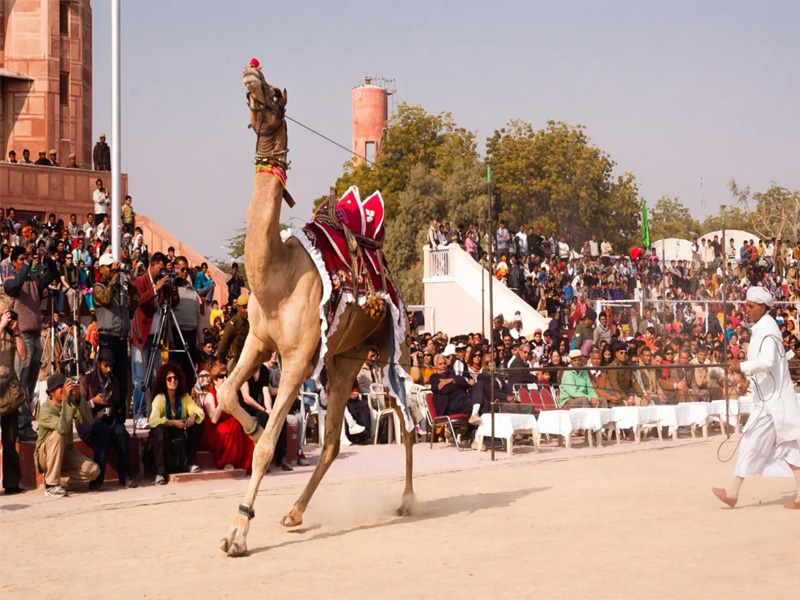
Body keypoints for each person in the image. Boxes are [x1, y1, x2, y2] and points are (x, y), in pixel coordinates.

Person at [713, 287, 800, 510]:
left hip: (772, 403)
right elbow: (765, 371)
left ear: (762, 307)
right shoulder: (763, 327)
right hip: (771, 399)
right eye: (746, 305)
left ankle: (733, 493)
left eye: (750, 306)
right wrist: (747, 381)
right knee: (790, 450)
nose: (747, 310)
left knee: (751, 441)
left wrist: (740, 366)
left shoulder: (768, 330)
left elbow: (767, 362)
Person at [3, 247, 58, 439]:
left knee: (31, 383)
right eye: (22, 259)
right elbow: (16, 284)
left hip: (36, 336)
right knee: (21, 382)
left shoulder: (34, 281)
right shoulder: (10, 282)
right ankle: (20, 426)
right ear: (14, 263)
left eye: (27, 259)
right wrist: (28, 264)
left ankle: (24, 425)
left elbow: (52, 276)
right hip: (22, 337)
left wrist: (49, 258)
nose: (26, 262)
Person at [78, 348, 136, 488]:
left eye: (111, 366)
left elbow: (118, 406)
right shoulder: (86, 380)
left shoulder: (115, 382)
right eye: (106, 366)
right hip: (87, 422)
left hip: (107, 420)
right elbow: (78, 409)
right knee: (103, 431)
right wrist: (93, 402)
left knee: (121, 432)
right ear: (98, 364)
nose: (109, 369)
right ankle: (97, 481)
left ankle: (125, 476)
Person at [34, 373, 100, 497]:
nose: (64, 389)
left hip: (65, 453)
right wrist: (65, 401)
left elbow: (88, 420)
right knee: (59, 435)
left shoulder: (70, 402)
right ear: (51, 392)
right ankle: (51, 485)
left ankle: (56, 479)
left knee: (93, 470)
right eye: (60, 387)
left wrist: (79, 397)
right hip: (45, 455)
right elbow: (62, 429)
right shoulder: (45, 409)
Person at [131, 252, 173, 429]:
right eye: (160, 269)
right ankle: (139, 415)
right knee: (141, 379)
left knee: (156, 378)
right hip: (141, 337)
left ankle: (154, 413)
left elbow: (171, 305)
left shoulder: (162, 284)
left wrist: (170, 290)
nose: (162, 273)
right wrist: (156, 288)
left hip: (156, 337)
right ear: (153, 264)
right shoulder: (140, 281)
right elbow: (138, 301)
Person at [145, 363, 205, 484]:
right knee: (159, 430)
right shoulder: (160, 398)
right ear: (164, 381)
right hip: (165, 436)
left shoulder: (184, 397)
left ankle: (190, 463)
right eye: (169, 379)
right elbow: (153, 420)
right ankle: (160, 473)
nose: (173, 381)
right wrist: (172, 422)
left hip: (179, 436)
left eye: (175, 378)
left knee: (199, 424)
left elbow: (200, 412)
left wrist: (193, 415)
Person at [93, 253, 138, 408]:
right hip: (107, 338)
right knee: (106, 378)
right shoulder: (98, 288)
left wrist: (132, 288)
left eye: (114, 267)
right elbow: (105, 299)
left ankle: (119, 418)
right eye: (110, 267)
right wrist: (113, 279)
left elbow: (133, 307)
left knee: (122, 381)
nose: (113, 270)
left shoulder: (120, 288)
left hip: (121, 339)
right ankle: (105, 415)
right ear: (101, 268)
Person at [200, 362, 254, 472]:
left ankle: (250, 462)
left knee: (242, 426)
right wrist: (222, 400)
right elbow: (213, 419)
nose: (225, 379)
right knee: (232, 426)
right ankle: (227, 461)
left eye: (226, 376)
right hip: (213, 430)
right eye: (221, 376)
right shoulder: (210, 395)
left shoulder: (230, 392)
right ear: (215, 380)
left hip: (229, 424)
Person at [1, 301, 27, 495]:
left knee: (10, 440)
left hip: (9, 390)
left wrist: (16, 332)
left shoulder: (11, 332)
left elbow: (23, 355)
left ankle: (11, 483)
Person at [428, 354, 484, 425]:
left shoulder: (451, 373)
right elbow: (445, 390)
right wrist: (457, 384)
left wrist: (451, 381)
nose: (443, 366)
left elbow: (466, 383)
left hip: (464, 400)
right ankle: (474, 430)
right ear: (435, 366)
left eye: (444, 363)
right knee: (482, 405)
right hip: (451, 405)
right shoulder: (434, 378)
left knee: (480, 386)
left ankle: (473, 428)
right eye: (440, 364)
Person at [217, 293, 249, 371]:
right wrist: (223, 362)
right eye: (244, 307)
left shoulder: (248, 323)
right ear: (238, 307)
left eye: (248, 307)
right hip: (234, 362)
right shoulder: (233, 324)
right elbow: (223, 345)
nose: (247, 310)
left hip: (245, 360)